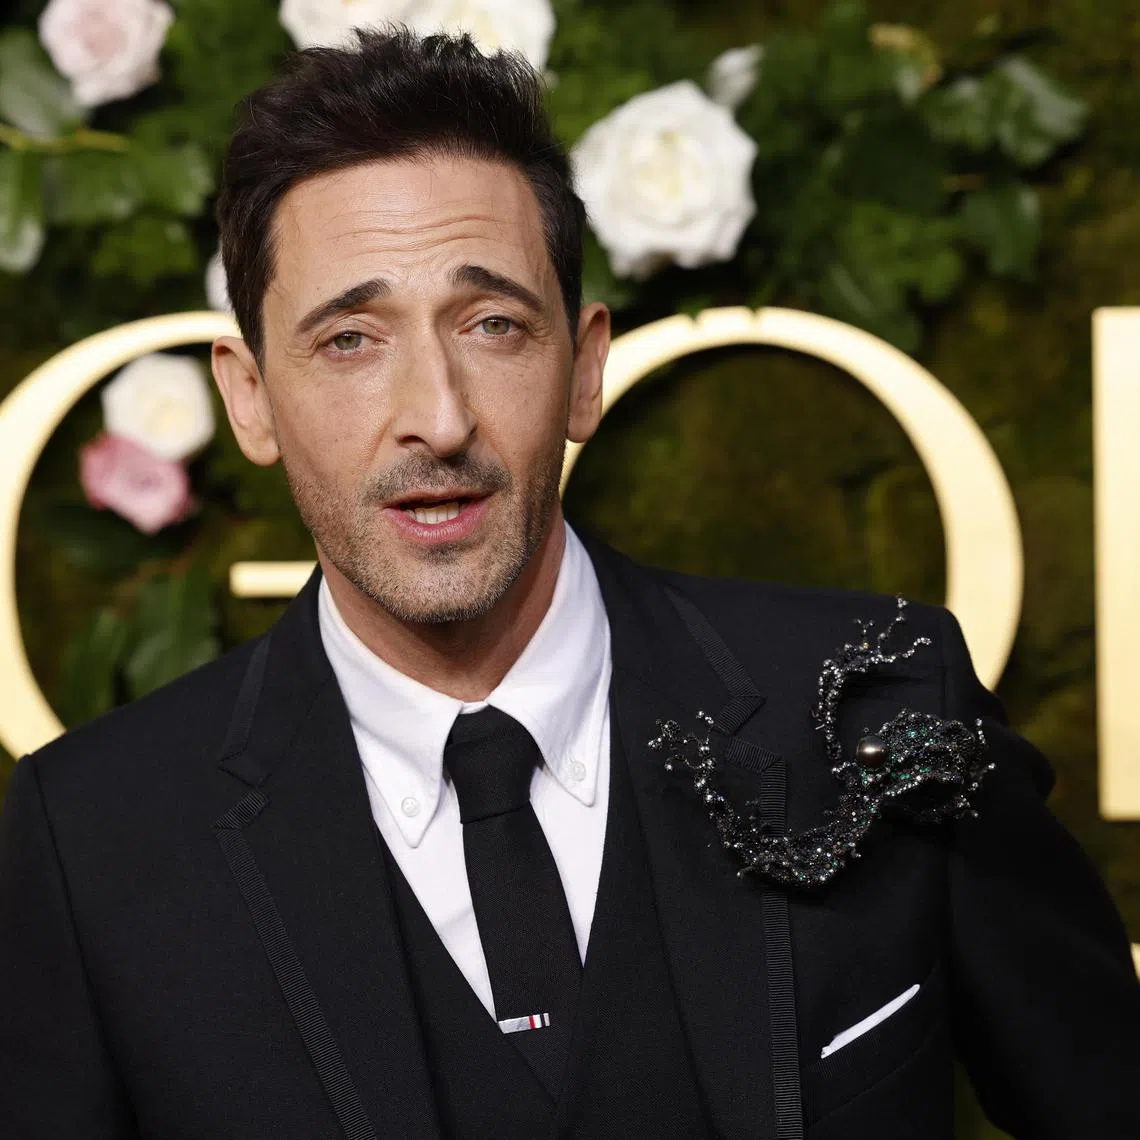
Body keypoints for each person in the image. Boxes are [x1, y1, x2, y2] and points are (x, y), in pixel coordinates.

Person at [1, 27, 1138, 1140]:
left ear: (586, 366)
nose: (436, 418)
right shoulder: (95, 843)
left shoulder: (881, 704)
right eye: (350, 339)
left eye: (493, 324)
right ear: (250, 397)